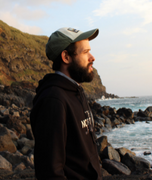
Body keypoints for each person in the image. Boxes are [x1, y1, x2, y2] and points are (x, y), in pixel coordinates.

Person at [30, 27, 102, 180]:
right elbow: (50, 171)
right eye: (85, 52)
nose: (92, 57)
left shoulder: (76, 91)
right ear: (66, 57)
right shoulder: (53, 100)